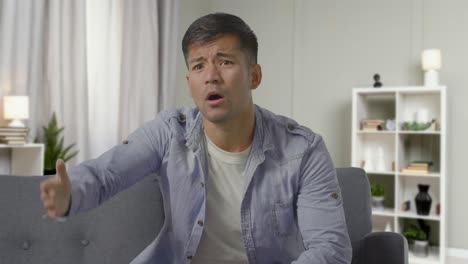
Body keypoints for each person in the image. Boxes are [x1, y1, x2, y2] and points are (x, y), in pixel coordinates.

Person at [40, 12, 352, 264]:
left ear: (254, 75)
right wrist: (71, 193)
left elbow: (330, 250)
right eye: (198, 66)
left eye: (225, 61)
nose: (211, 75)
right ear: (189, 81)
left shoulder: (303, 150)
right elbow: (106, 173)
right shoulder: (169, 131)